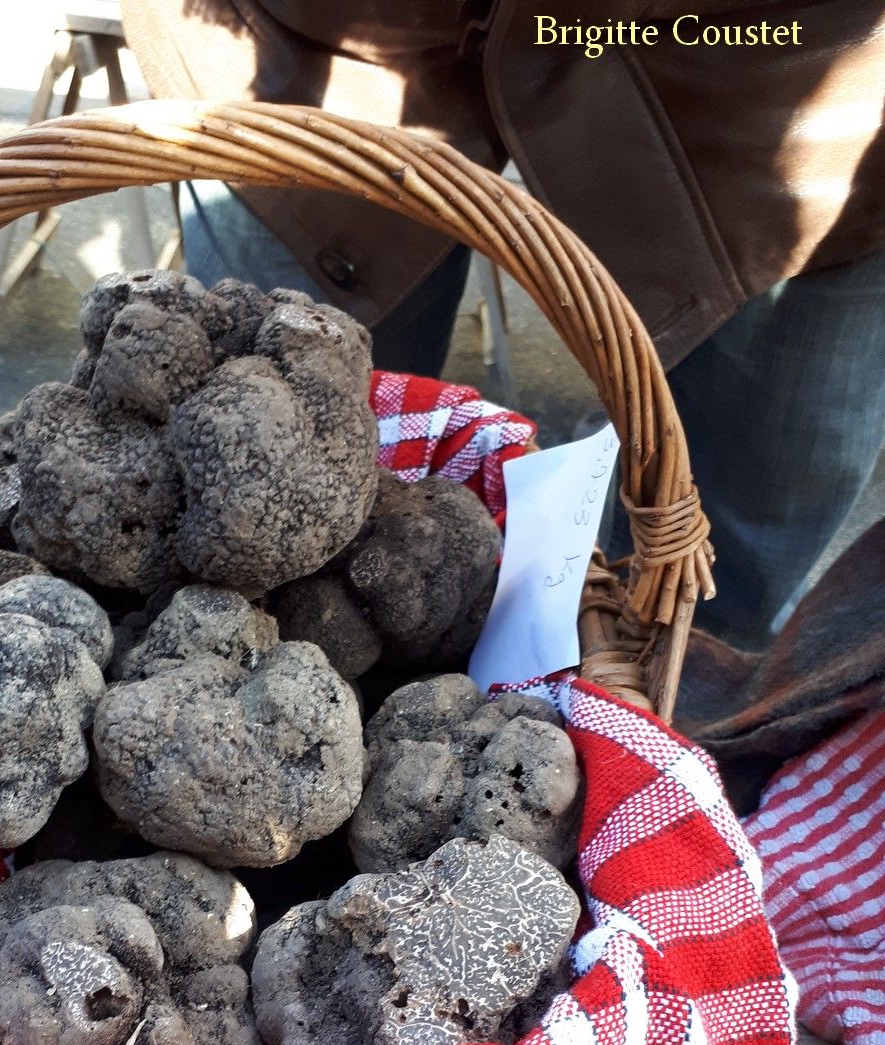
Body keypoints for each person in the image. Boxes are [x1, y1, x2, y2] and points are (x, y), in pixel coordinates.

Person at [119, 1, 885, 648]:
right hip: (334, 37)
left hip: (755, 51)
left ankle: (674, 765)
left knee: (724, 581)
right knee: (246, 496)